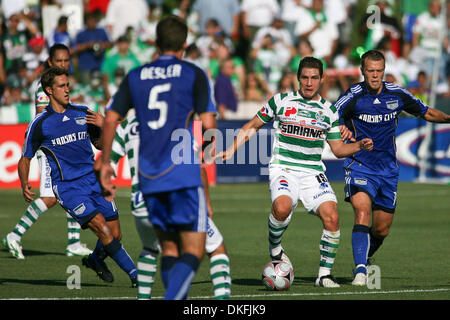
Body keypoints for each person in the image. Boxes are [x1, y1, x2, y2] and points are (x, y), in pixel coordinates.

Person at [215, 56, 374, 288]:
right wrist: (231, 149)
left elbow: (338, 149)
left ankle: (324, 275)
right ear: (297, 79)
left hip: (312, 173)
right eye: (305, 78)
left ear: (322, 79)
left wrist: (359, 145)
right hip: (284, 168)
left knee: (332, 215)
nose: (309, 83)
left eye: (314, 78)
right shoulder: (280, 101)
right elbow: (252, 126)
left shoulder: (329, 111)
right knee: (281, 207)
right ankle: (275, 247)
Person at [96, 15, 217, 300]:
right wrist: (209, 156)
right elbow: (209, 125)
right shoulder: (193, 74)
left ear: (156, 43)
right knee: (195, 249)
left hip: (149, 178)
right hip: (182, 173)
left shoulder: (136, 76)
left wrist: (104, 165)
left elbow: (111, 119)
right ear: (185, 44)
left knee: (169, 249)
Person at [335, 49, 450, 286]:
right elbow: (330, 114)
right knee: (362, 212)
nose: (375, 76)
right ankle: (360, 272)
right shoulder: (354, 95)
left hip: (387, 170)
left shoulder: (397, 94)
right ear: (362, 71)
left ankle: (364, 257)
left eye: (379, 71)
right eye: (370, 71)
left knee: (382, 230)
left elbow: (427, 112)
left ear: (384, 71)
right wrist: (341, 128)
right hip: (360, 165)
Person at [17, 67, 138, 287]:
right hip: (68, 187)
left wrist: (104, 127)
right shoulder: (40, 123)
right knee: (101, 228)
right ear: (49, 91)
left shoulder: (83, 112)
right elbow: (25, 158)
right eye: (61, 86)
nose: (67, 89)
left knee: (115, 234)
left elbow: (99, 144)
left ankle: (94, 261)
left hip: (94, 180)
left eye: (67, 85)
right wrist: (25, 182)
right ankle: (136, 275)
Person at [110, 115, 231, 300]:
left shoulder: (126, 126)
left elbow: (107, 162)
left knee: (151, 248)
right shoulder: (174, 121)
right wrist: (206, 202)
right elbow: (195, 165)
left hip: (140, 203)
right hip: (174, 200)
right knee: (216, 248)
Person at [2, 44, 93, 259]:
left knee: (72, 189)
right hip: (50, 148)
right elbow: (44, 118)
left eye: (66, 61)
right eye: (59, 61)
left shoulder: (65, 84)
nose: (63, 64)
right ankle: (15, 234)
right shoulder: (45, 87)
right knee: (50, 197)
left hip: (64, 147)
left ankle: (73, 242)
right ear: (50, 62)